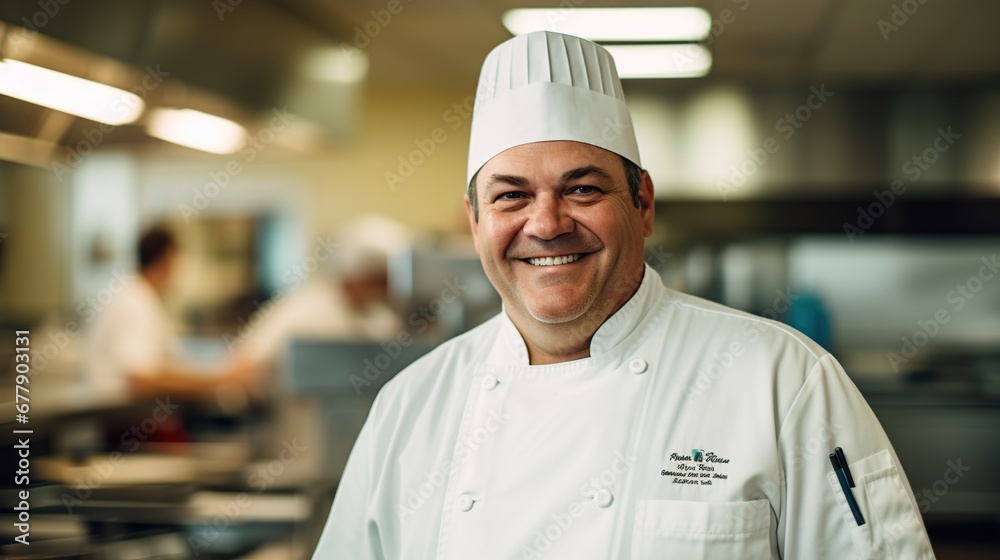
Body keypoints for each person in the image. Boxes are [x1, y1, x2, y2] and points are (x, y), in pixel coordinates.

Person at [313, 31, 934, 559]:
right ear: (475, 224)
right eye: (511, 195)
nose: (547, 223)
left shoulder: (784, 380)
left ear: (642, 205)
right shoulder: (409, 408)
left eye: (582, 189)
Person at [84, 225, 256, 402]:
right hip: (125, 417)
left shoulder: (138, 295)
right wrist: (221, 381)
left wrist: (220, 372)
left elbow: (171, 362)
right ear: (167, 260)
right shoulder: (135, 304)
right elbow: (142, 381)